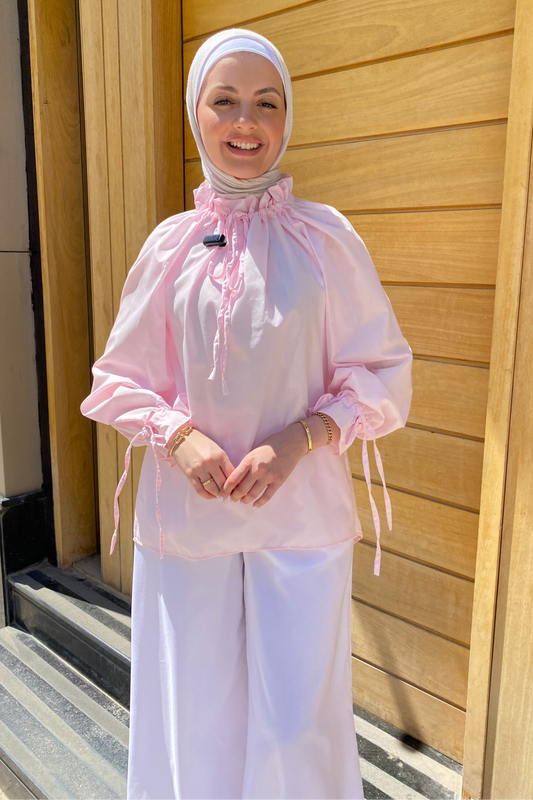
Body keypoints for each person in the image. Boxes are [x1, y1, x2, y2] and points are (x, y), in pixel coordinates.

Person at [80, 28, 413, 800]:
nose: (245, 122)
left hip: (302, 520)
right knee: (195, 720)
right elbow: (119, 378)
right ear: (195, 113)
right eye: (224, 100)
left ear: (287, 116)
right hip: (188, 522)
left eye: (266, 103)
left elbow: (380, 373)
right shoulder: (169, 247)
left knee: (298, 724)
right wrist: (177, 436)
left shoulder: (326, 241)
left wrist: (298, 440)